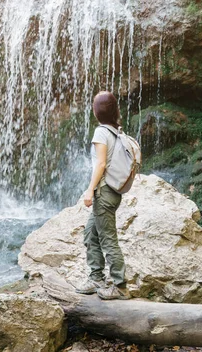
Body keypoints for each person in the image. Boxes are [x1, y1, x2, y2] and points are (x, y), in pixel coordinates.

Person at [75, 91, 130, 300]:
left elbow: (100, 163)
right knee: (91, 234)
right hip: (112, 192)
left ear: (97, 111)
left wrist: (90, 190)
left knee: (108, 239)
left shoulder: (101, 132)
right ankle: (96, 277)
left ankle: (120, 285)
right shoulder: (116, 131)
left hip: (104, 191)